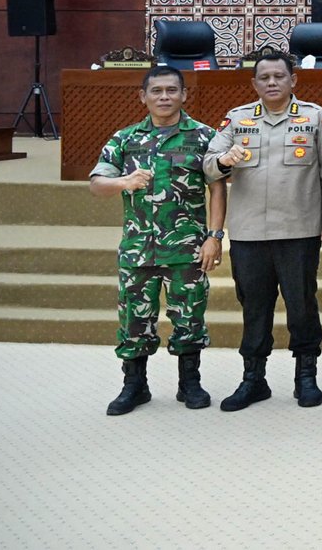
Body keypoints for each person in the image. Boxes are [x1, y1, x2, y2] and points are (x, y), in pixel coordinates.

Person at [204, 49, 322, 410]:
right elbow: (207, 164)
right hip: (249, 233)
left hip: (299, 230)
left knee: (301, 304)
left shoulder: (315, 117)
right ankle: (253, 379)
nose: (271, 83)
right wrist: (223, 160)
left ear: (293, 80)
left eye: (278, 76)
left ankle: (306, 376)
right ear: (254, 84)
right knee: (254, 306)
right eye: (264, 78)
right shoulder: (237, 119)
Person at [88, 66, 226, 415]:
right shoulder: (125, 139)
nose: (164, 97)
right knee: (134, 322)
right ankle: (134, 385)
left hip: (187, 249)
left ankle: (189, 382)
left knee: (190, 318)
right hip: (138, 250)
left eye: (171, 90)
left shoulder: (204, 137)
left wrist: (214, 237)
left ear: (184, 95)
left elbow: (218, 188)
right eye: (156, 91)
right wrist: (123, 182)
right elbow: (97, 184)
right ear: (143, 96)